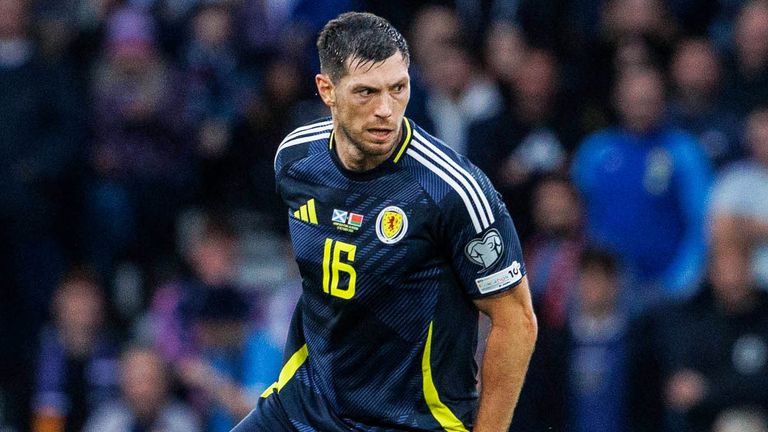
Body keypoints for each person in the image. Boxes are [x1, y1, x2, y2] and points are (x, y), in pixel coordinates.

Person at [232, 11, 537, 432]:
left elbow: (516, 321)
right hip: (304, 407)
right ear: (327, 90)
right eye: (366, 92)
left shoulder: (451, 191)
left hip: (410, 422)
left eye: (398, 88)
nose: (385, 110)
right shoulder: (296, 159)